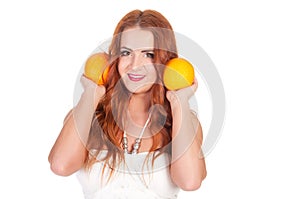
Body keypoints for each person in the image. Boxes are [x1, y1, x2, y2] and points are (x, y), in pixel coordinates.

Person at [48, 9, 206, 198]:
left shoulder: (183, 122)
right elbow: (61, 166)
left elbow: (190, 182)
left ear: (166, 62)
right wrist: (92, 92)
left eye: (148, 54)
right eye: (126, 53)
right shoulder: (89, 114)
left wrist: (178, 101)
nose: (134, 65)